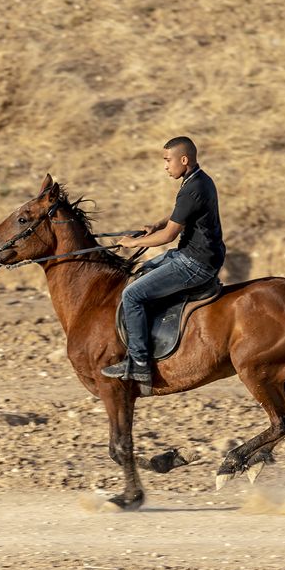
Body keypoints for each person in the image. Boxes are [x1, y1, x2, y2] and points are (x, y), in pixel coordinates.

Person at [101, 136, 226, 390]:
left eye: (167, 160)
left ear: (184, 159)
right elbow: (178, 217)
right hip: (195, 255)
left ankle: (139, 363)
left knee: (132, 294)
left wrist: (133, 243)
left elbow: (169, 236)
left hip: (195, 263)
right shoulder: (198, 180)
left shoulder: (192, 188)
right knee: (142, 273)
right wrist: (157, 224)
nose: (165, 166)